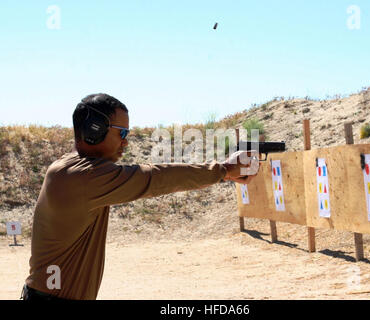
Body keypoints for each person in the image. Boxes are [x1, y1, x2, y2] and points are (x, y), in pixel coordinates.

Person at [21, 93, 259, 300]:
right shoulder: (81, 176)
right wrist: (225, 170)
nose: (125, 140)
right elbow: (155, 178)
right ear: (94, 131)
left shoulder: (72, 169)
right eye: (121, 132)